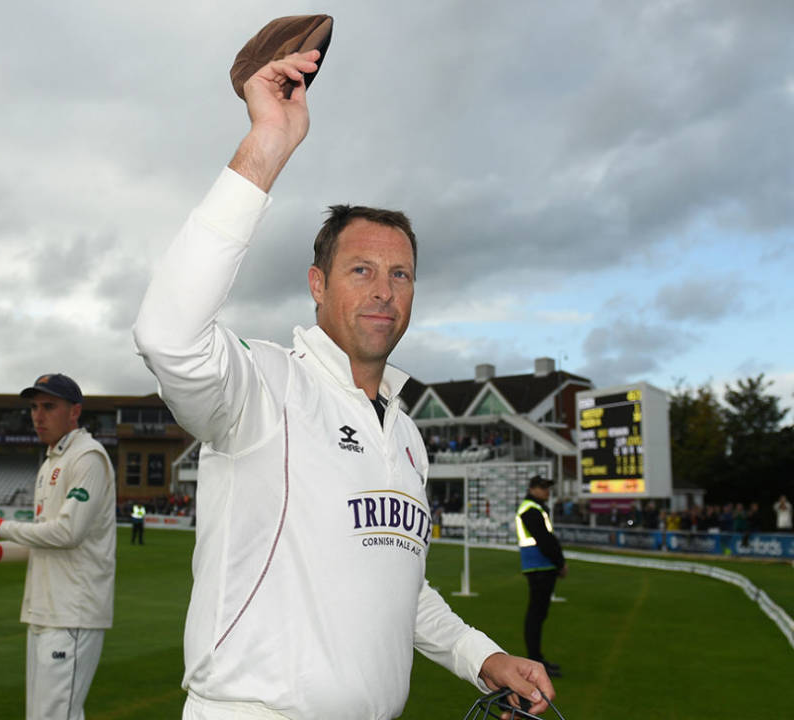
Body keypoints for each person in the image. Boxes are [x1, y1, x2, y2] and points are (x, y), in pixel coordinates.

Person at [130, 49, 555, 718]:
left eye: (401, 275)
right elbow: (167, 334)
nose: (384, 291)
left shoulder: (407, 435)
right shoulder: (266, 387)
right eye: (361, 271)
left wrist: (483, 656)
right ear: (317, 285)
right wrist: (268, 142)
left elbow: (399, 588)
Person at [0, 373, 116, 720]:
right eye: (34, 407)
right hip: (44, 610)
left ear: (74, 412)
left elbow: (67, 533)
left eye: (49, 406)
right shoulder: (52, 461)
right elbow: (43, 538)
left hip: (72, 612)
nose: (38, 415)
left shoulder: (88, 458)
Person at [516, 476, 567, 677]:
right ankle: (535, 660)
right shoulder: (531, 509)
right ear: (533, 488)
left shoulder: (534, 507)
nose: (547, 491)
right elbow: (545, 540)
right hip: (539, 566)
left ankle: (537, 658)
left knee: (537, 614)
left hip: (539, 566)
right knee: (536, 615)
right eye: (543, 487)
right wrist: (560, 562)